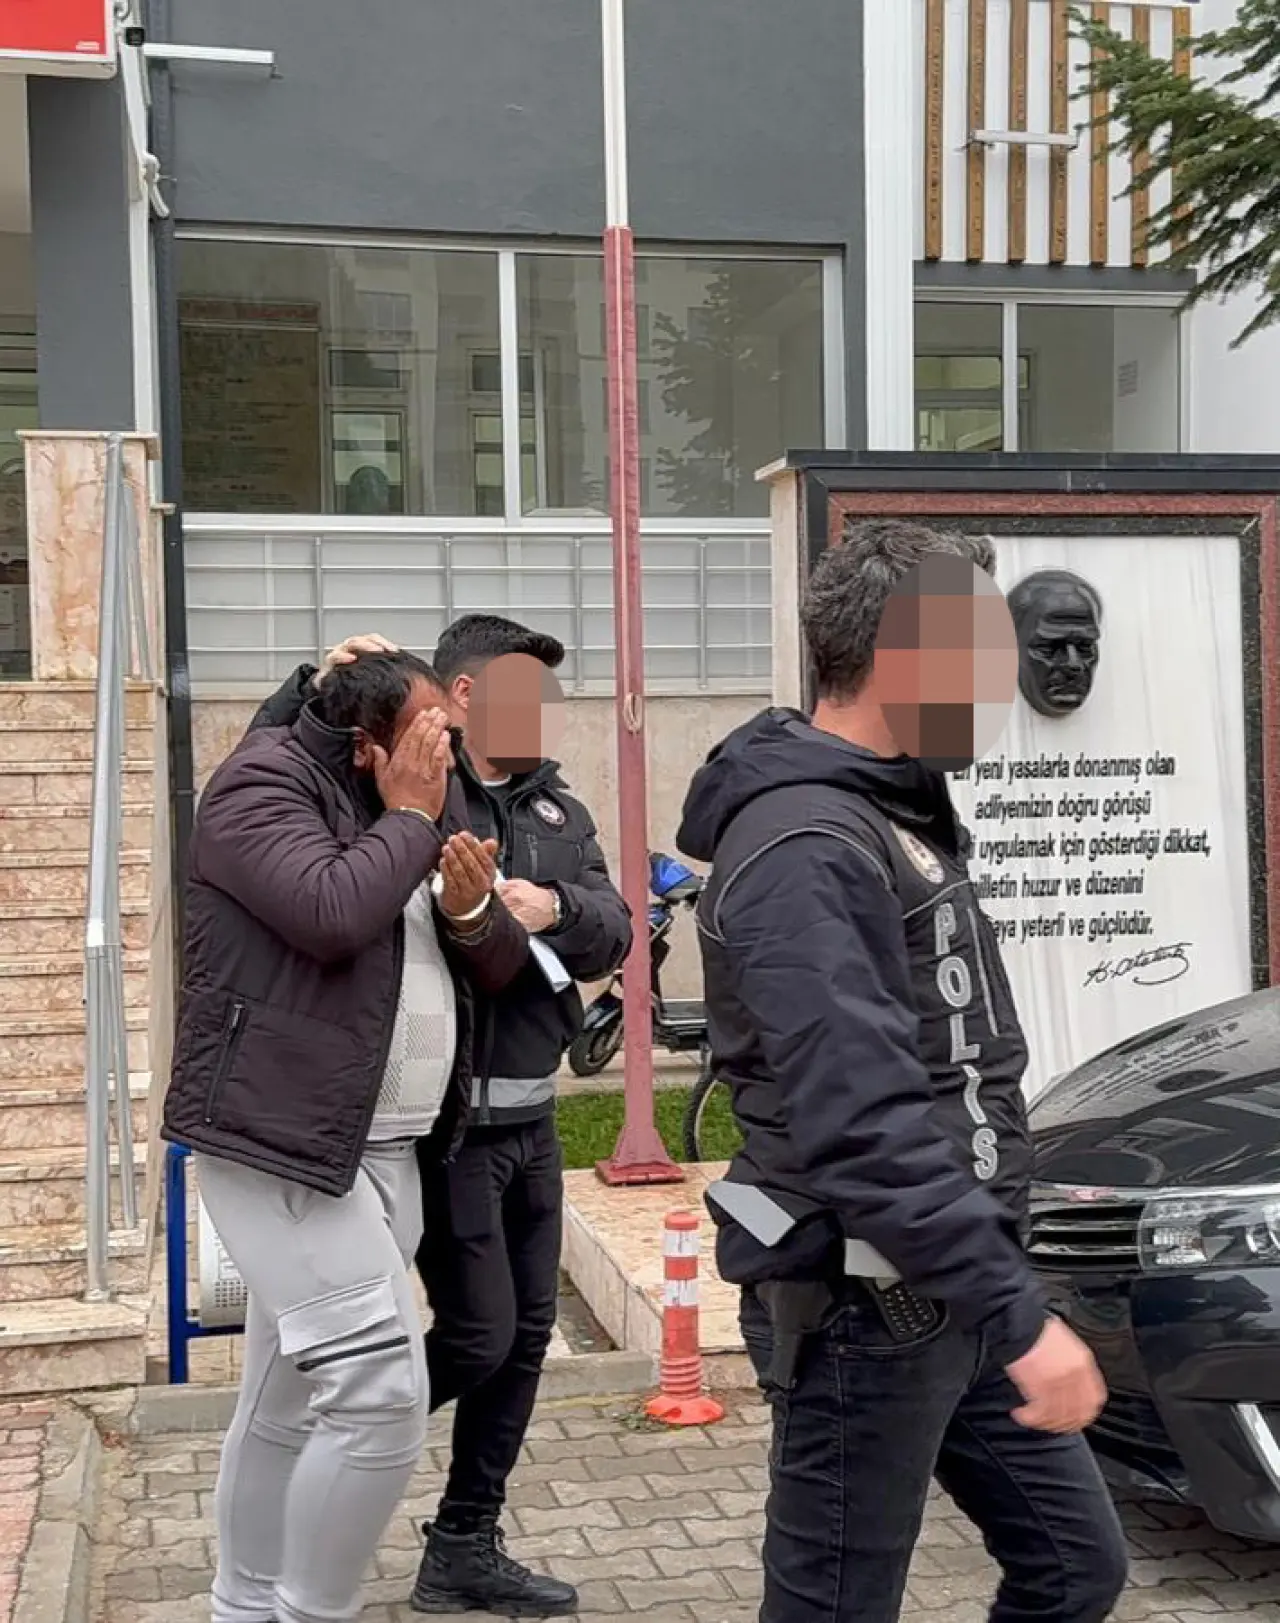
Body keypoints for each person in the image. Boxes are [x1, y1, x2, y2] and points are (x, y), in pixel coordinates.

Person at [675, 521, 1128, 1623]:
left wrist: (997, 1292)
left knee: (1076, 1570)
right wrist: (1022, 1320)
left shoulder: (886, 813)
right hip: (862, 1310)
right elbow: (863, 1120)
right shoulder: (805, 845)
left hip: (951, 1292)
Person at [251, 616, 632, 1618]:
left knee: (526, 1336)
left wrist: (553, 906)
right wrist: (306, 688)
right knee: (478, 1335)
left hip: (534, 1122)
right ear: (463, 697)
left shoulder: (556, 808)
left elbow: (613, 927)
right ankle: (332, 1445)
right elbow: (281, 777)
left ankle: (464, 1540)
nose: (539, 713)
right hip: (446, 1127)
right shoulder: (411, 787)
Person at [162, 651, 528, 1623]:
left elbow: (497, 964)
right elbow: (330, 913)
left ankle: (244, 1607)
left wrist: (470, 909)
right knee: (378, 1396)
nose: (446, 755)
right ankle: (308, 1610)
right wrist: (409, 817)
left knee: (282, 1402)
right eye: (427, 736)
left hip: (388, 1155)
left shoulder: (421, 800)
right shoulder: (260, 786)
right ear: (368, 745)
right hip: (283, 1146)